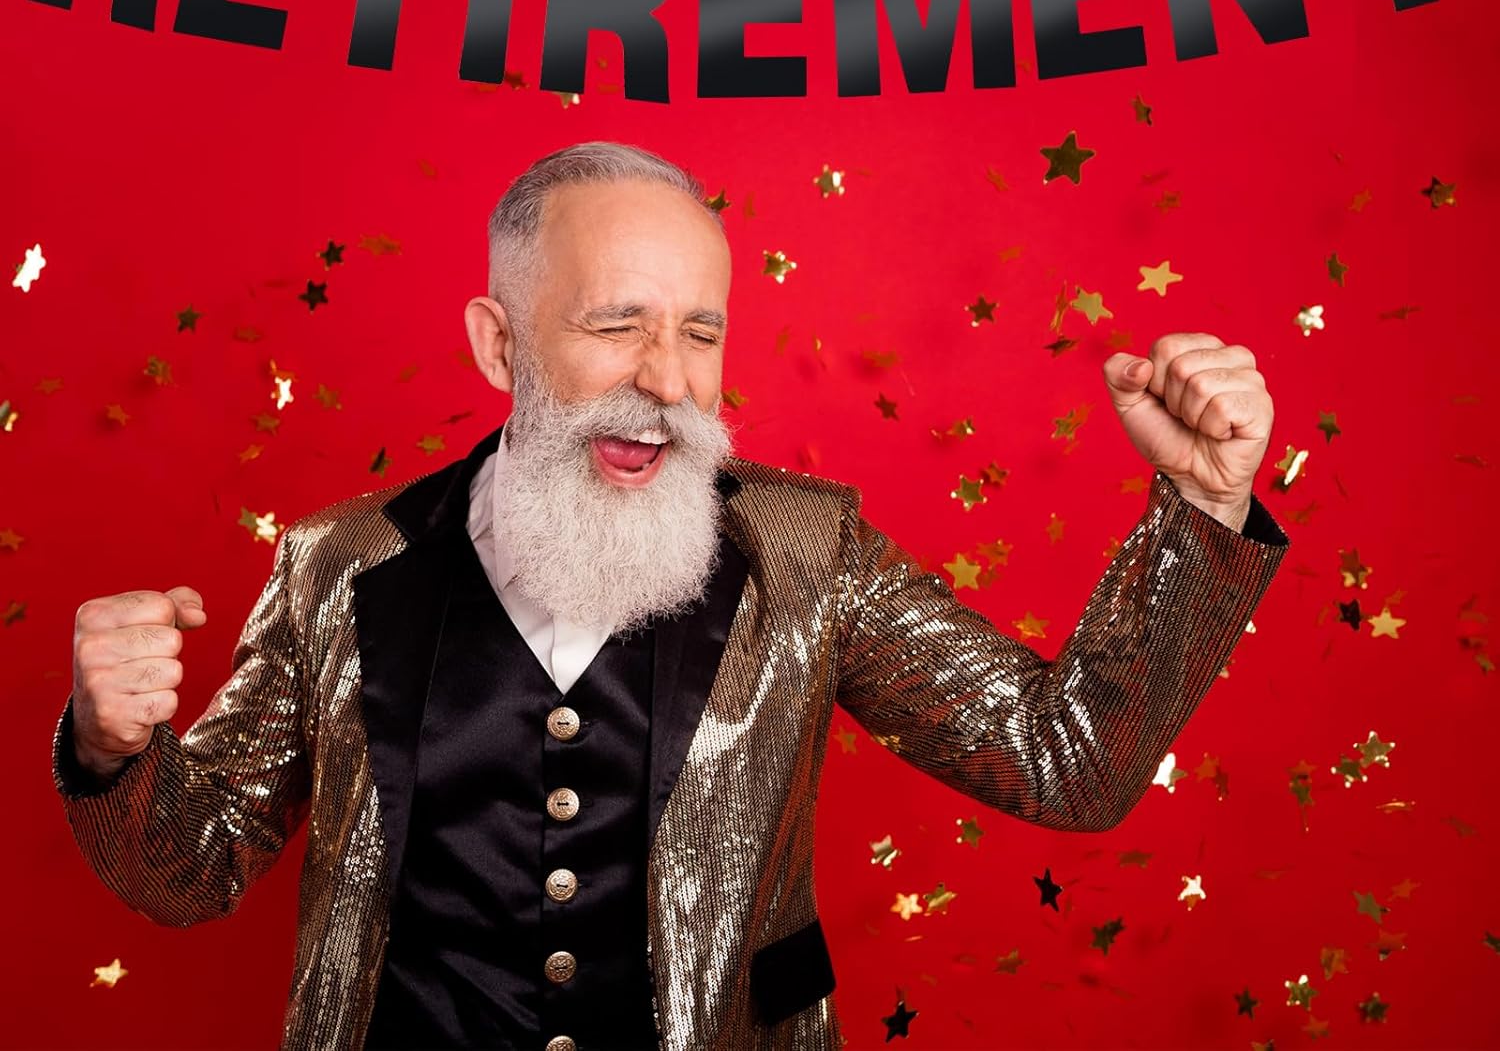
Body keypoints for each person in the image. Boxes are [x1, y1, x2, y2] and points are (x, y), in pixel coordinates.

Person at [52, 141, 1291, 1051]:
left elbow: (1067, 763)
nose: (667, 380)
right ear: (498, 343)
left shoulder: (808, 553)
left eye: (701, 332)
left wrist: (1204, 506)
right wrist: (112, 750)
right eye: (617, 324)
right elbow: (191, 870)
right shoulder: (339, 564)